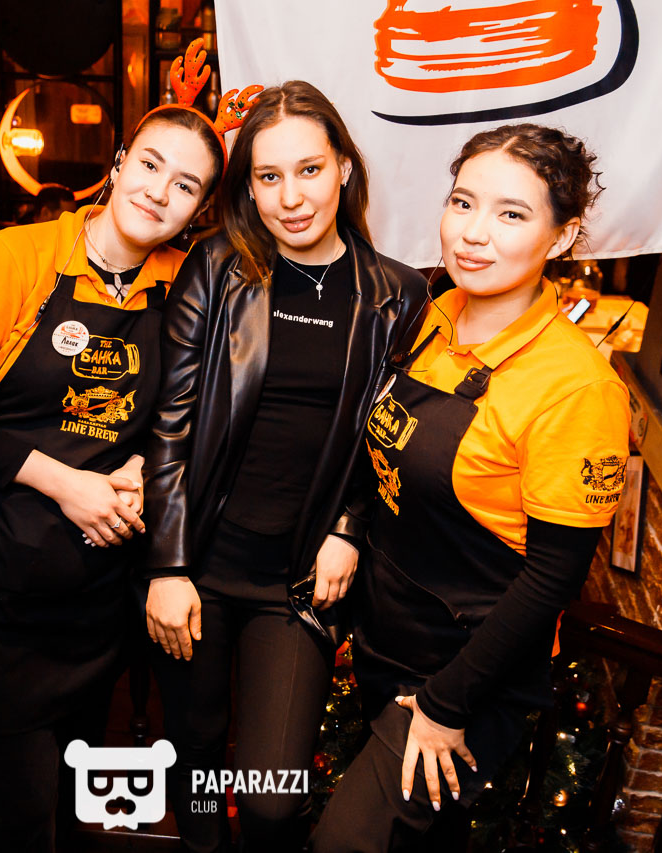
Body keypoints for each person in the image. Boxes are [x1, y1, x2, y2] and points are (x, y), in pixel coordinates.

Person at [310, 124, 631, 852]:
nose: (474, 233)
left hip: (464, 673)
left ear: (561, 235)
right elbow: (382, 454)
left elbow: (552, 578)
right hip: (384, 636)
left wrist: (446, 702)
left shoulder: (576, 387)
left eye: (511, 213)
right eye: (463, 202)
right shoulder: (435, 312)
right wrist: (348, 528)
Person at [0, 43, 229, 853]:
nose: (159, 191)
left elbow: (192, 413)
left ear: (199, 209)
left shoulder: (188, 285)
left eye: (186, 185)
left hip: (102, 601)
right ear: (118, 162)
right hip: (1, 597)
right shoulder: (13, 260)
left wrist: (139, 469)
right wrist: (64, 481)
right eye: (151, 164)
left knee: (76, 808)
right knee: (18, 817)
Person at [141, 80, 427, 853]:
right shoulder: (217, 268)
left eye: (308, 170)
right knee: (197, 758)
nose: (290, 197)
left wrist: (349, 526)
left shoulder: (396, 293)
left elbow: (390, 436)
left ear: (344, 168)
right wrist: (167, 565)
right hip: (198, 566)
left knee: (271, 802)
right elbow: (170, 422)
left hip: (297, 582)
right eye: (268, 176)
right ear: (249, 186)